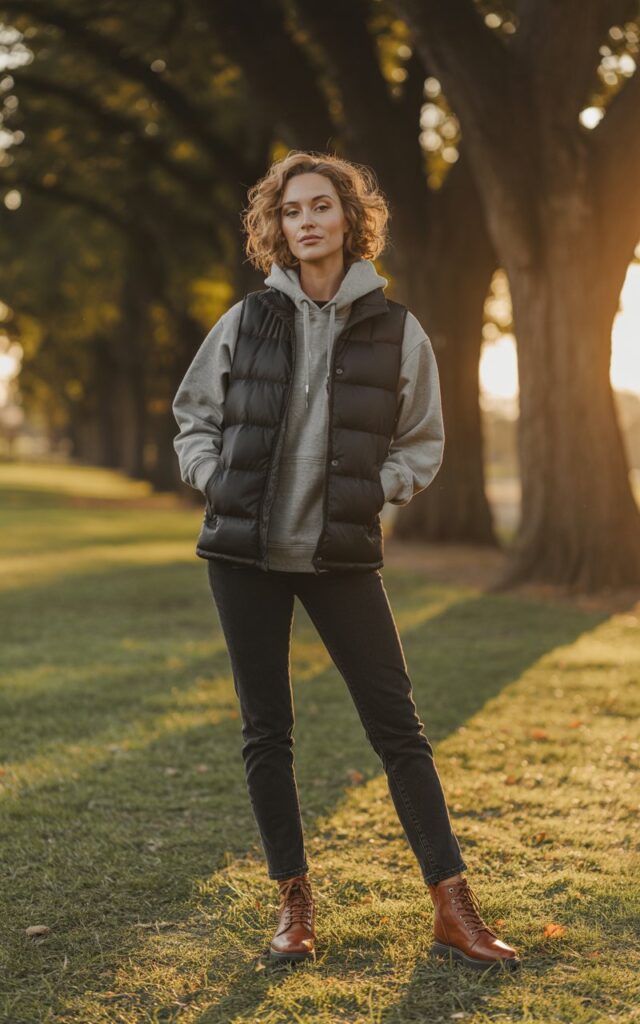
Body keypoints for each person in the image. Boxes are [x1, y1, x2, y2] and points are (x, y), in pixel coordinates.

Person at [172, 150, 520, 971]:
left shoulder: (397, 329)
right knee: (268, 732)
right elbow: (194, 417)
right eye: (292, 211)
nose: (308, 222)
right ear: (278, 228)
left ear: (349, 219)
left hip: (341, 557)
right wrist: (211, 479)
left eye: (321, 206)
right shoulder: (247, 320)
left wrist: (376, 494)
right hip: (244, 555)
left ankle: (453, 907)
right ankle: (293, 905)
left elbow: (422, 440)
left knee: (400, 732)